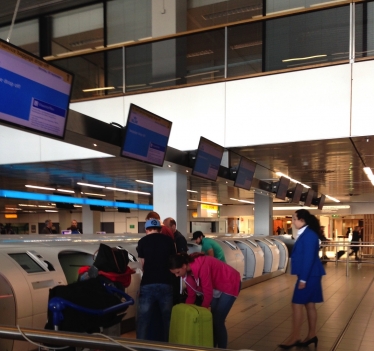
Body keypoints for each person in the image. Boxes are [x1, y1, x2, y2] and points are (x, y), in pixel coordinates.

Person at [169, 252, 241, 348]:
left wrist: (203, 309)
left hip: (230, 282)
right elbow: (191, 294)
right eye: (174, 274)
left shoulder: (202, 266)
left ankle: (222, 349)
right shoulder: (187, 272)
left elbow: (207, 292)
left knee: (218, 320)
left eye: (177, 272)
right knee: (213, 320)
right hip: (217, 286)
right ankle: (212, 347)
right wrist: (185, 309)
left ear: (184, 266)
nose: (177, 276)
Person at [279, 209, 326, 349]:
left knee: (296, 304)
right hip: (311, 274)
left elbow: (309, 258)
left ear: (302, 220)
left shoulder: (309, 235)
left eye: (294, 219)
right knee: (310, 304)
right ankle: (311, 335)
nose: (292, 221)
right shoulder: (305, 234)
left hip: (309, 275)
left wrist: (303, 280)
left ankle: (295, 337)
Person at [136, 218, 176, 342]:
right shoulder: (169, 240)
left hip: (148, 283)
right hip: (166, 282)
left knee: (143, 319)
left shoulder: (142, 241)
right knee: (167, 319)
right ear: (160, 229)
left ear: (146, 230)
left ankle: (139, 347)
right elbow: (173, 261)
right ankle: (168, 346)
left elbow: (142, 263)